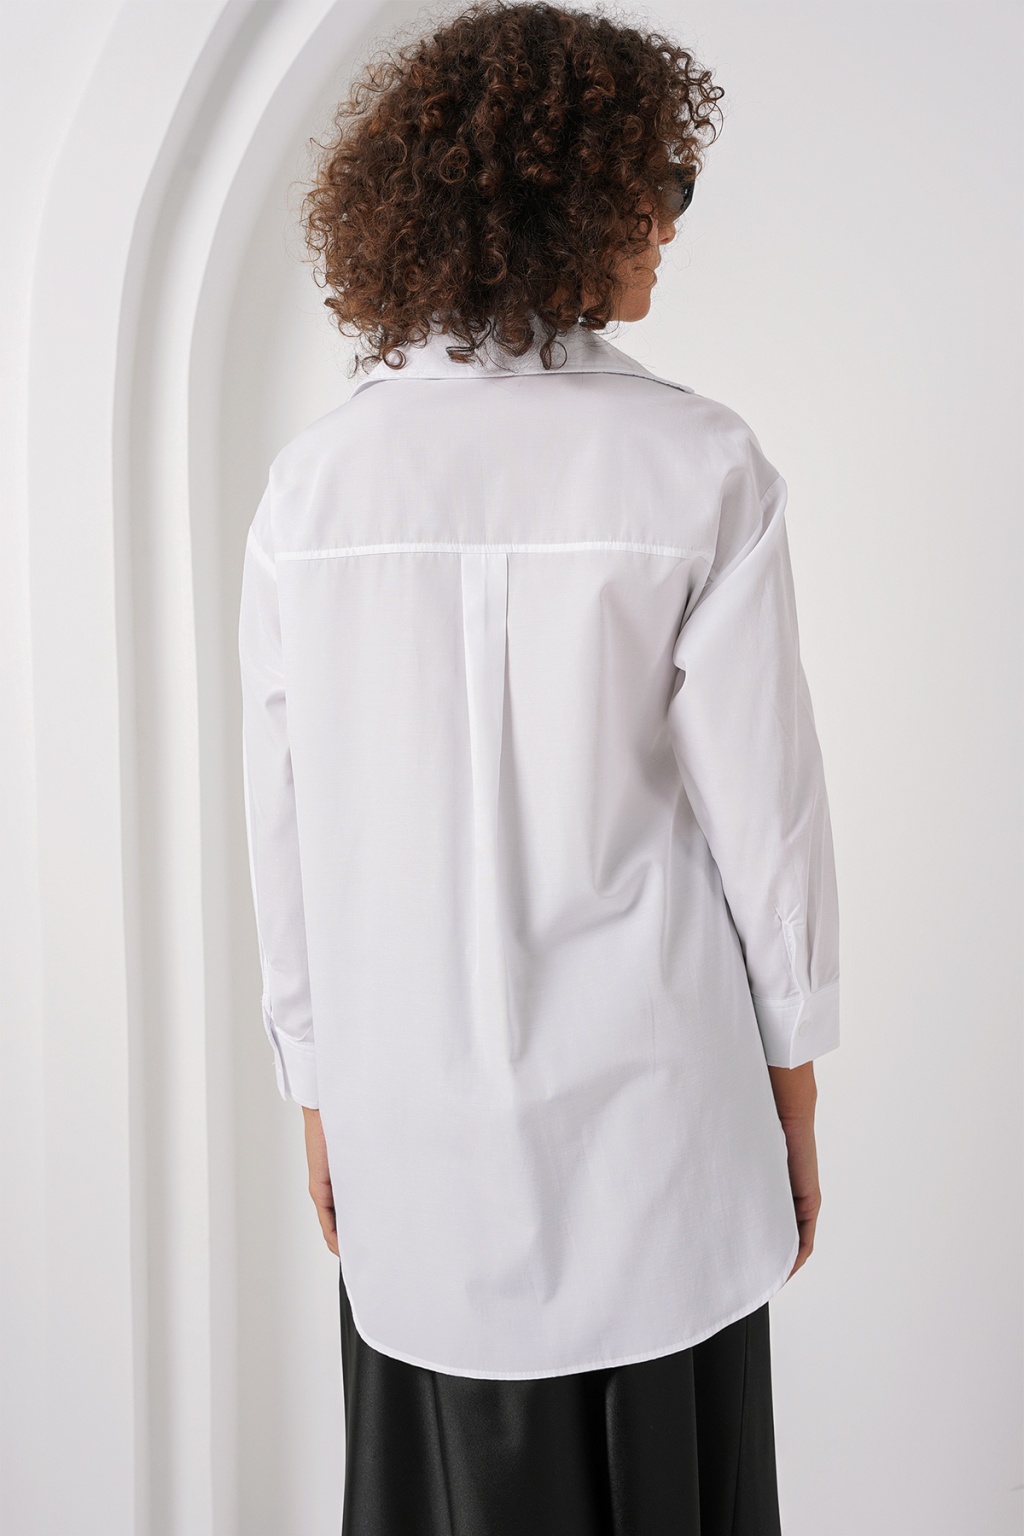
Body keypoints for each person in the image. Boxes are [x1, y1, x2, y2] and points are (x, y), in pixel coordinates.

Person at [237, 3, 841, 1531]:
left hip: (412, 1134)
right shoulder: (699, 465)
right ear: (566, 202)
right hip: (661, 1132)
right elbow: (767, 825)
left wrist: (314, 1084)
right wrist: (793, 1087)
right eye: (662, 187)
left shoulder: (313, 492)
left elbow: (284, 831)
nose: (673, 227)